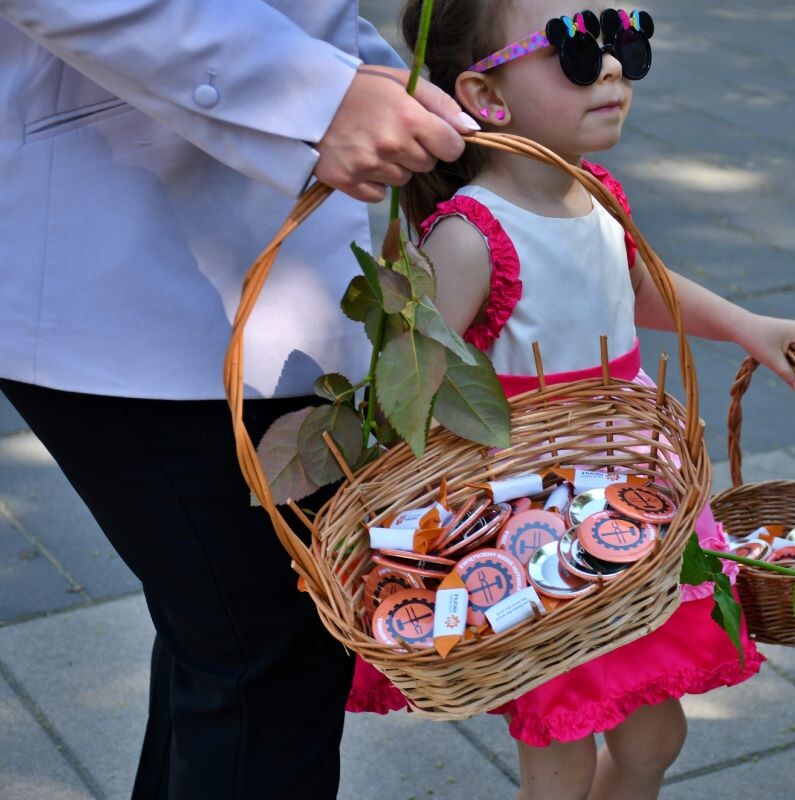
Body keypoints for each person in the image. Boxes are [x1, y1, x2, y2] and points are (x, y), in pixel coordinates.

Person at [0, 2, 477, 797]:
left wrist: (367, 77)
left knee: (234, 646)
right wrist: (317, 96)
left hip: (218, 278)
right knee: (262, 660)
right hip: (127, 272)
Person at [347, 3, 795, 799]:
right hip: (539, 518)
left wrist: (746, 327)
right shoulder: (469, 234)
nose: (609, 66)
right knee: (560, 748)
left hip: (635, 490)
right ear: (486, 95)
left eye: (623, 39)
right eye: (573, 48)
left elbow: (640, 284)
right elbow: (408, 387)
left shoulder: (595, 194)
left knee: (655, 734)